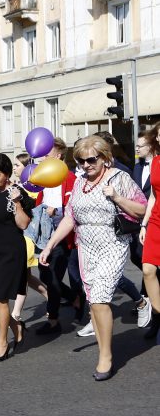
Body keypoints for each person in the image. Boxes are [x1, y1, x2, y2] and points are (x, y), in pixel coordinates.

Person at [40, 136, 146, 381]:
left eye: (91, 159)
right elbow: (70, 218)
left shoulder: (119, 179)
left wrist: (117, 198)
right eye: (80, 160)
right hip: (86, 246)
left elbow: (142, 209)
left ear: (104, 157)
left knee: (99, 299)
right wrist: (50, 245)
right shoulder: (80, 183)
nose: (86, 164)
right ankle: (103, 348)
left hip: (112, 242)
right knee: (93, 301)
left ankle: (106, 356)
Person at [0, 153, 33, 362]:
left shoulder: (18, 193)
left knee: (1, 299)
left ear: (7, 174)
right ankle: (16, 325)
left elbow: (23, 224)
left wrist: (18, 203)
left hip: (10, 253)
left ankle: (3, 342)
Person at [35, 138, 82, 335]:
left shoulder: (69, 178)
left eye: (48, 153)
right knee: (45, 274)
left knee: (53, 277)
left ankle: (53, 320)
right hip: (44, 236)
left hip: (63, 236)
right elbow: (38, 200)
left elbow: (73, 209)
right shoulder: (45, 177)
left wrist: (56, 212)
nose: (44, 156)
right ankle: (75, 298)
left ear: (58, 155)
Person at [11, 152, 48, 320]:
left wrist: (19, 196)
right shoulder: (18, 185)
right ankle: (52, 297)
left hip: (28, 237)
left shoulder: (33, 188)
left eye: (17, 165)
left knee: (21, 275)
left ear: (28, 168)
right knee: (27, 276)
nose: (14, 168)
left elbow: (34, 209)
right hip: (17, 235)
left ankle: (16, 313)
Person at [140, 121, 160, 342]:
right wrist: (144, 224)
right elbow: (153, 196)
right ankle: (158, 313)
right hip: (156, 221)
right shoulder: (155, 162)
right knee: (147, 270)